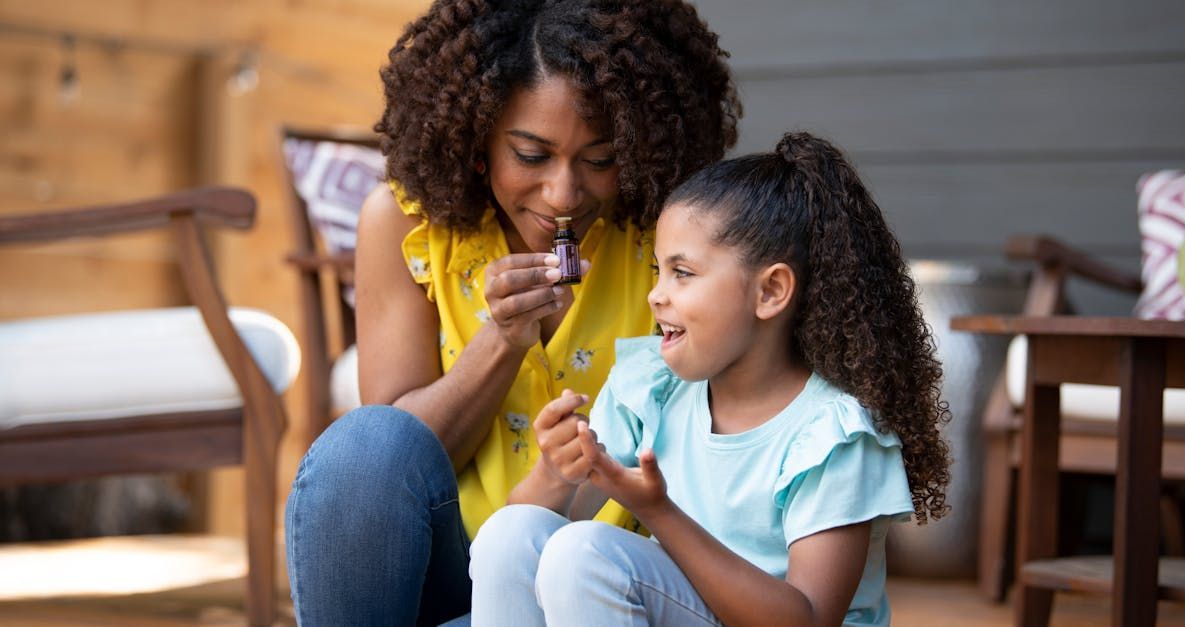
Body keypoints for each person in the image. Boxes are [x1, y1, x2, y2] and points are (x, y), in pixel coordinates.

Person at [283, 0, 740, 624]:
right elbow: (390, 465)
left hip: (600, 587)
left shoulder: (671, 234)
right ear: (476, 139)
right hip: (446, 572)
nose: (564, 196)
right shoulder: (404, 225)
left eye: (600, 160)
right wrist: (500, 341)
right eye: (531, 155)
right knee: (364, 443)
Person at [469, 131, 953, 626]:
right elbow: (532, 541)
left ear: (771, 291)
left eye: (683, 273)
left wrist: (660, 514)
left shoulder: (834, 436)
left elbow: (808, 619)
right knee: (510, 532)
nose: (656, 296)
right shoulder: (651, 389)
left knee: (587, 554)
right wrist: (556, 471)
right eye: (658, 271)